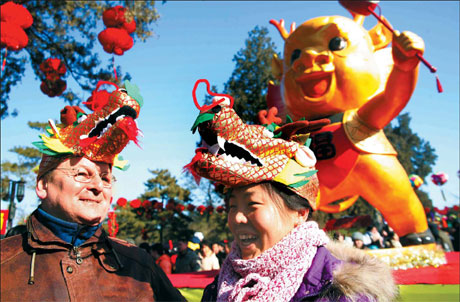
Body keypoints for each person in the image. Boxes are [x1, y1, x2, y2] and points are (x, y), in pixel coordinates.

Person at [184, 93, 397, 302]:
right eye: (232, 207)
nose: (237, 218)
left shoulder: (340, 292)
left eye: (252, 204)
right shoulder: (221, 287)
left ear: (300, 213)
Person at [0, 83, 185, 302]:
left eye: (105, 178)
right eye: (81, 174)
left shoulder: (138, 264)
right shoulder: (5, 262)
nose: (98, 186)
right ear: (42, 185)